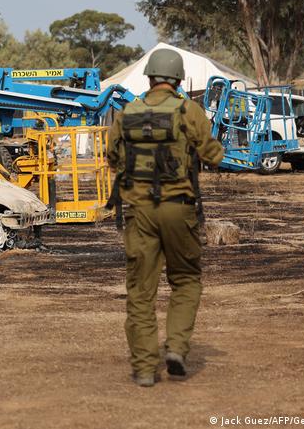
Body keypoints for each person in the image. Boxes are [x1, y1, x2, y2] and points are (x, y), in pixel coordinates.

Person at [106, 49, 224, 387]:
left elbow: (113, 158)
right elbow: (213, 154)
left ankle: (144, 368)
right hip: (179, 209)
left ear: (149, 78)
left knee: (141, 291)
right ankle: (175, 348)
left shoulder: (126, 112)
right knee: (186, 280)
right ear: (178, 79)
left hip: (138, 213)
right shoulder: (189, 110)